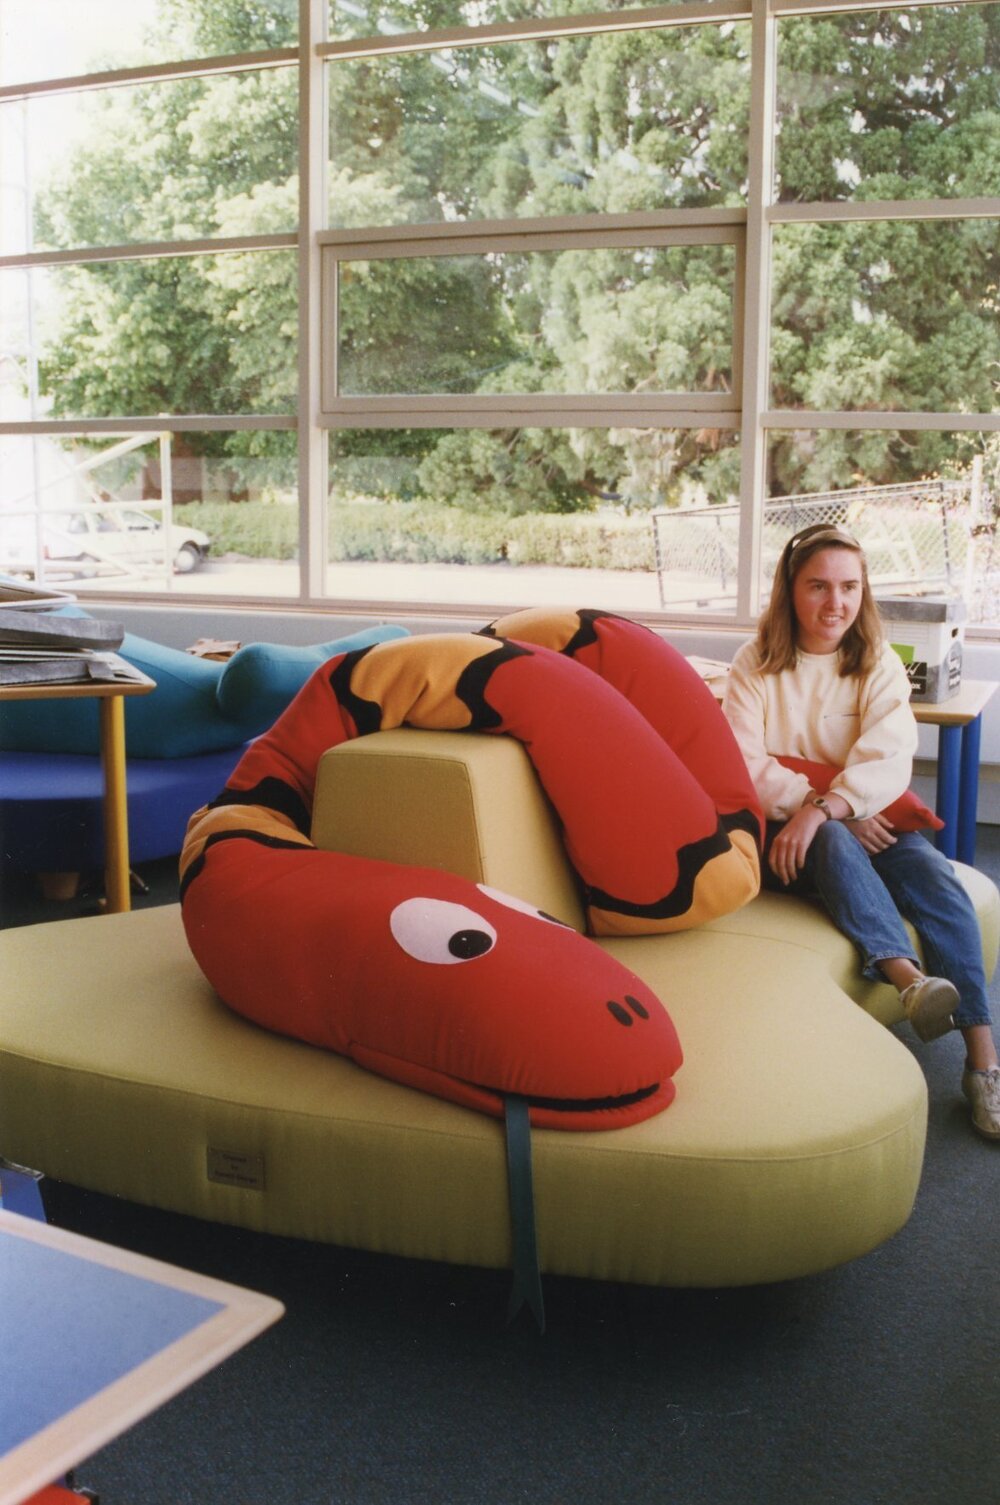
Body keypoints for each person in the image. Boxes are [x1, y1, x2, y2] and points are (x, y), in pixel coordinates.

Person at [722, 522, 1000, 1140]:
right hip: (785, 838)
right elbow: (741, 762)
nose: (835, 603)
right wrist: (819, 807)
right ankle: (910, 982)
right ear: (789, 591)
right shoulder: (755, 664)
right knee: (829, 839)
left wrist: (833, 803)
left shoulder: (875, 662)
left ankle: (984, 1064)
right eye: (818, 586)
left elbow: (890, 756)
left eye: (849, 587)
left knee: (933, 873)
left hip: (854, 814)